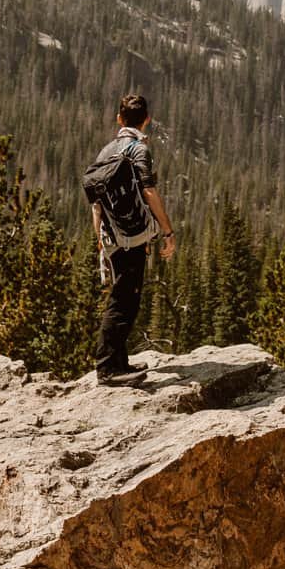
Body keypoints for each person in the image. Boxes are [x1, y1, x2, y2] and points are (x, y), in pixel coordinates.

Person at [87, 92, 175, 383]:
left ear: (119, 119)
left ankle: (119, 361)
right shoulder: (139, 150)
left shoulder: (106, 151)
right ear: (146, 120)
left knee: (124, 296)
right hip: (134, 237)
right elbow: (149, 191)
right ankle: (108, 367)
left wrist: (100, 237)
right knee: (124, 300)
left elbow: (96, 202)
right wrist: (167, 231)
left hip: (113, 237)